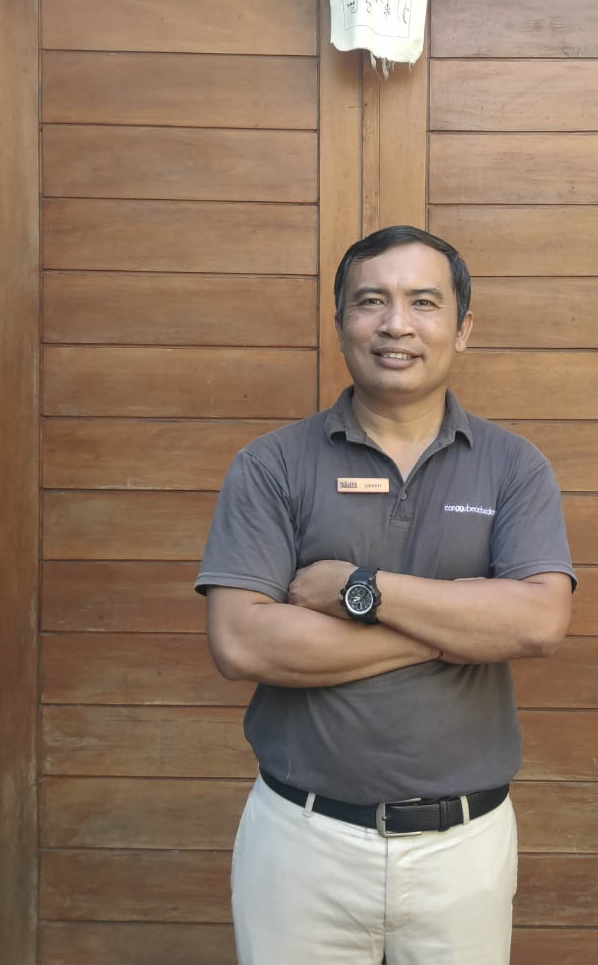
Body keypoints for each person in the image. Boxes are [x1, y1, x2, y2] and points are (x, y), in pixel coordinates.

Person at [196, 224, 577, 964]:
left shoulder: (513, 466)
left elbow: (537, 623)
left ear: (462, 328)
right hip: (302, 841)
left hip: (464, 847)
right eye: (371, 301)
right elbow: (241, 643)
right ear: (341, 320)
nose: (396, 324)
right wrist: (458, 621)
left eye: (423, 302)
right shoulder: (272, 465)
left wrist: (359, 589)